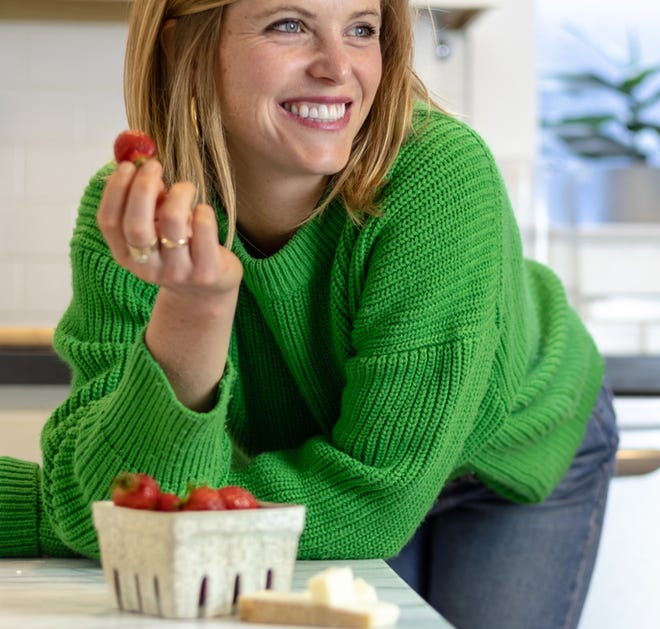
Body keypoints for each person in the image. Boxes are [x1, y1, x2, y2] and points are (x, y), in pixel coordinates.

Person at [0, 1, 618, 627]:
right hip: (332, 459)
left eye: (361, 29)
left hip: (512, 444)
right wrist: (195, 310)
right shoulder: (138, 218)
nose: (337, 66)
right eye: (288, 25)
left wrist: (64, 509)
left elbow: (372, 504)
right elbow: (124, 499)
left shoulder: (440, 176)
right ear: (182, 44)